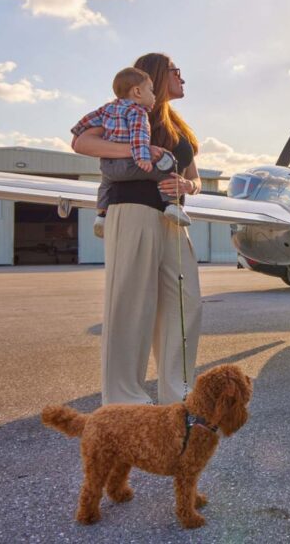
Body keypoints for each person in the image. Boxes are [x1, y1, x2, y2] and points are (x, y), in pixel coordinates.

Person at [72, 53, 203, 406]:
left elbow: (195, 179)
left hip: (172, 218)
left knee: (185, 304)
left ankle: (178, 394)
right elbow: (82, 142)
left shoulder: (179, 127)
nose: (182, 78)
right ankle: (124, 399)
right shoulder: (123, 111)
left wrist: (186, 187)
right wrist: (138, 150)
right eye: (176, 71)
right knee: (131, 304)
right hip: (132, 210)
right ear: (156, 76)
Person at [71, 67, 191, 238]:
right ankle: (172, 205)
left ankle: (101, 216)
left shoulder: (107, 108)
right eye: (150, 90)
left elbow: (87, 120)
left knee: (105, 185)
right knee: (164, 173)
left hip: (109, 166)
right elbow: (139, 136)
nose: (153, 95)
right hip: (132, 173)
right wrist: (143, 156)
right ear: (137, 92)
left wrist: (77, 130)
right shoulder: (138, 112)